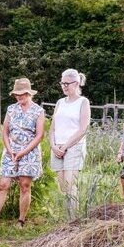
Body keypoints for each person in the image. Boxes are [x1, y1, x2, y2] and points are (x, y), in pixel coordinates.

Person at [0, 78, 45, 228]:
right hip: (11, 149)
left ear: (28, 93)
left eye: (22, 94)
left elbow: (40, 135)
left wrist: (22, 152)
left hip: (29, 151)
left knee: (25, 185)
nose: (19, 97)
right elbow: (5, 131)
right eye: (17, 94)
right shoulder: (11, 109)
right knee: (3, 184)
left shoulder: (38, 111)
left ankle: (21, 220)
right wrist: (9, 150)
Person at [49, 69, 91, 219]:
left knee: (70, 184)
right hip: (57, 147)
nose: (64, 86)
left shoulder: (83, 102)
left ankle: (73, 220)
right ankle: (67, 217)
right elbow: (52, 127)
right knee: (62, 186)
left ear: (77, 83)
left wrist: (65, 146)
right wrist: (53, 145)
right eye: (62, 83)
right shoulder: (60, 102)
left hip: (73, 146)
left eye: (67, 83)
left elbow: (83, 129)